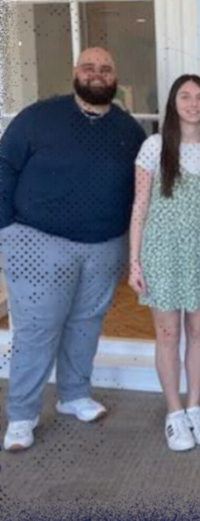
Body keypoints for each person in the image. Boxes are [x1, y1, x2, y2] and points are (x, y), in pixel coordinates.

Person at [0, 47, 145, 452]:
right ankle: (22, 415)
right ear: (75, 74)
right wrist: (5, 229)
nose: (97, 75)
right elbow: (3, 167)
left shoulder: (129, 129)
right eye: (89, 68)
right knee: (37, 329)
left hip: (104, 244)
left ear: (114, 78)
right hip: (37, 240)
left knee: (86, 322)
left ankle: (74, 395)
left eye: (105, 69)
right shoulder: (37, 118)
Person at [128, 75, 200, 452]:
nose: (193, 103)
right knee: (168, 333)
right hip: (163, 252)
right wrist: (134, 261)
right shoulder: (154, 147)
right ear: (173, 103)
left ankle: (194, 407)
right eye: (185, 97)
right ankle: (174, 413)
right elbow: (140, 205)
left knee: (199, 330)